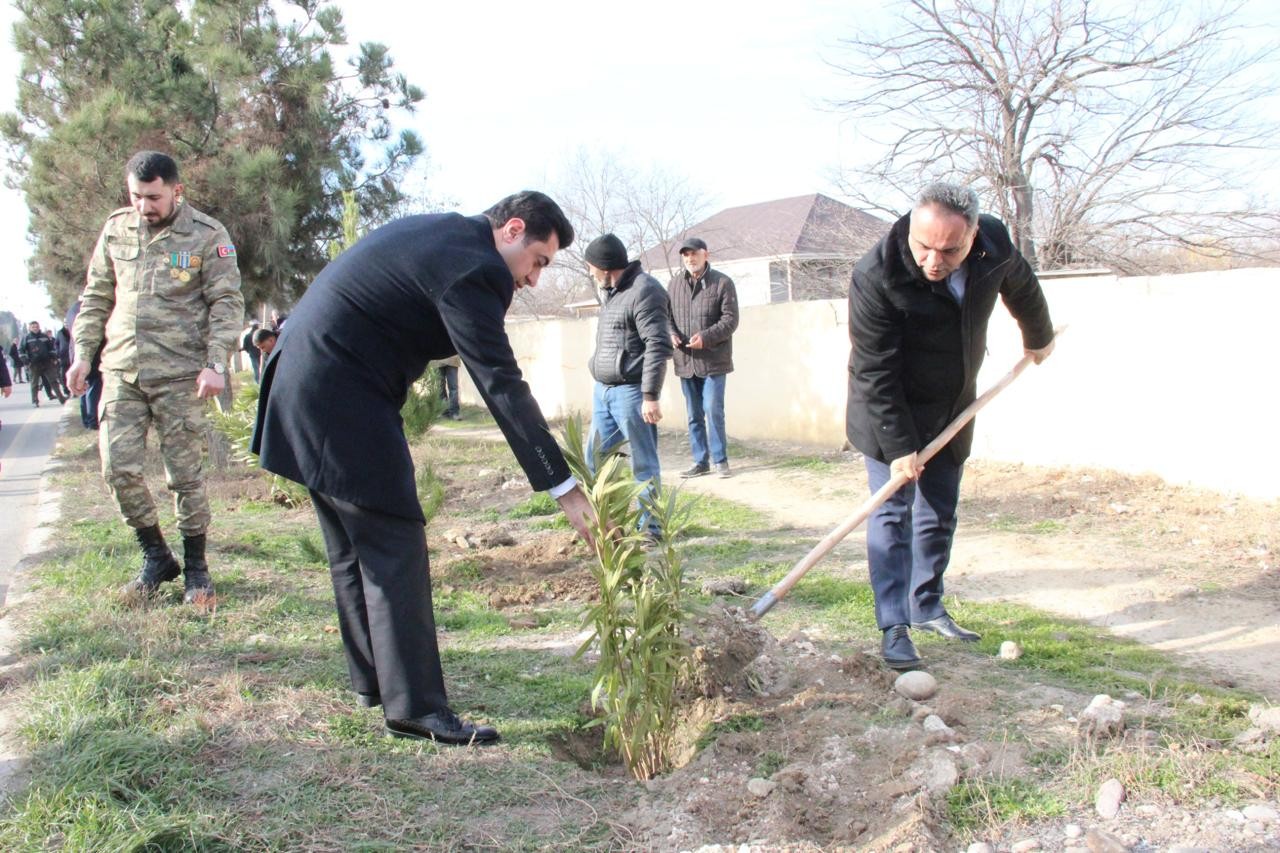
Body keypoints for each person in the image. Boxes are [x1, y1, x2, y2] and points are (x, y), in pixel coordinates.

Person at [251, 190, 595, 747]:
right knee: (393, 540)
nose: (534, 279)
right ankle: (415, 708)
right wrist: (562, 485)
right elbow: (499, 382)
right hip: (340, 391)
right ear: (511, 231)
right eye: (539, 261)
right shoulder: (475, 268)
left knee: (352, 546)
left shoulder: (446, 235)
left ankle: (375, 684)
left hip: (302, 378)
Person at [847, 182, 1055, 670]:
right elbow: (875, 371)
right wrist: (900, 448)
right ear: (911, 229)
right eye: (924, 246)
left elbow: (1020, 283)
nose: (934, 261)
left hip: (953, 404)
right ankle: (894, 625)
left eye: (950, 249)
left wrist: (1038, 336)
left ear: (974, 235)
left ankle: (927, 606)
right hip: (888, 412)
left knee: (939, 510)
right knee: (892, 516)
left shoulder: (995, 244)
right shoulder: (876, 275)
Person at [68, 150, 244, 607]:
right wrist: (83, 356)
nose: (144, 206)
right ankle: (156, 556)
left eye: (153, 197)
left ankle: (197, 570)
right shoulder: (116, 228)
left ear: (175, 190)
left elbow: (227, 303)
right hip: (122, 370)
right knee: (117, 469)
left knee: (184, 477)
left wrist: (217, 363)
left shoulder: (207, 235)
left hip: (181, 375)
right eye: (136, 196)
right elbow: (96, 296)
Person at [584, 233, 673, 538]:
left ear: (605, 266)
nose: (590, 272)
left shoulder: (644, 290)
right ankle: (604, 524)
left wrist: (650, 396)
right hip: (604, 391)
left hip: (632, 392)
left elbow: (658, 345)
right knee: (593, 461)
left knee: (643, 462)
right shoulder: (611, 291)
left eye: (591, 266)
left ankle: (652, 529)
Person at [667, 237, 739, 478]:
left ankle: (721, 460)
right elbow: (665, 316)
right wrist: (671, 333)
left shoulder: (722, 283)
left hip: (713, 360)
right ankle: (700, 461)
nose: (690, 258)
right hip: (685, 361)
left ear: (705, 254)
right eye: (685, 255)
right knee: (693, 414)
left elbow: (730, 320)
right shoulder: (674, 284)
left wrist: (706, 337)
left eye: (694, 253)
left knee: (712, 409)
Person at [65, 300, 104, 430]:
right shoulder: (86, 308)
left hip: (79, 355)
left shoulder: (72, 309)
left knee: (83, 388)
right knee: (93, 388)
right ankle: (92, 421)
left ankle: (87, 420)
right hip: (90, 356)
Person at [19, 321, 67, 407]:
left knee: (53, 381)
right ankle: (35, 401)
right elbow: (21, 351)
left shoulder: (44, 337)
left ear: (39, 327)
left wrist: (54, 358)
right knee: (34, 383)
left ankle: (61, 399)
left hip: (47, 362)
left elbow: (51, 348)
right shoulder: (26, 338)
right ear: (30, 328)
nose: (35, 328)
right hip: (33, 364)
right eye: (33, 327)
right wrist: (26, 361)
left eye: (36, 326)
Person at [434, 355, 462, 420]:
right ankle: (444, 412)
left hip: (452, 358)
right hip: (437, 359)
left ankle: (454, 413)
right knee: (440, 388)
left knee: (453, 387)